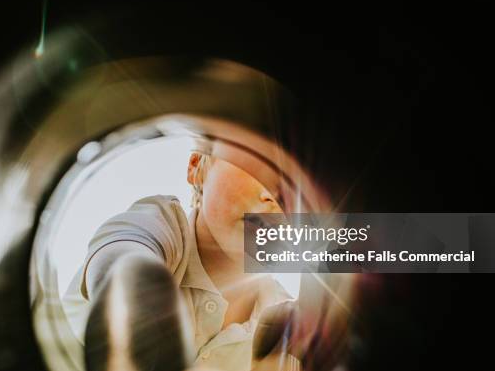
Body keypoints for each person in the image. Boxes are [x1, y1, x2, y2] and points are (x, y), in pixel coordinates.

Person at [62, 141, 353, 371]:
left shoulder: (286, 319)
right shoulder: (162, 226)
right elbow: (123, 255)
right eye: (260, 158)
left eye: (299, 179)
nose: (278, 197)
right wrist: (137, 307)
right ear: (196, 166)